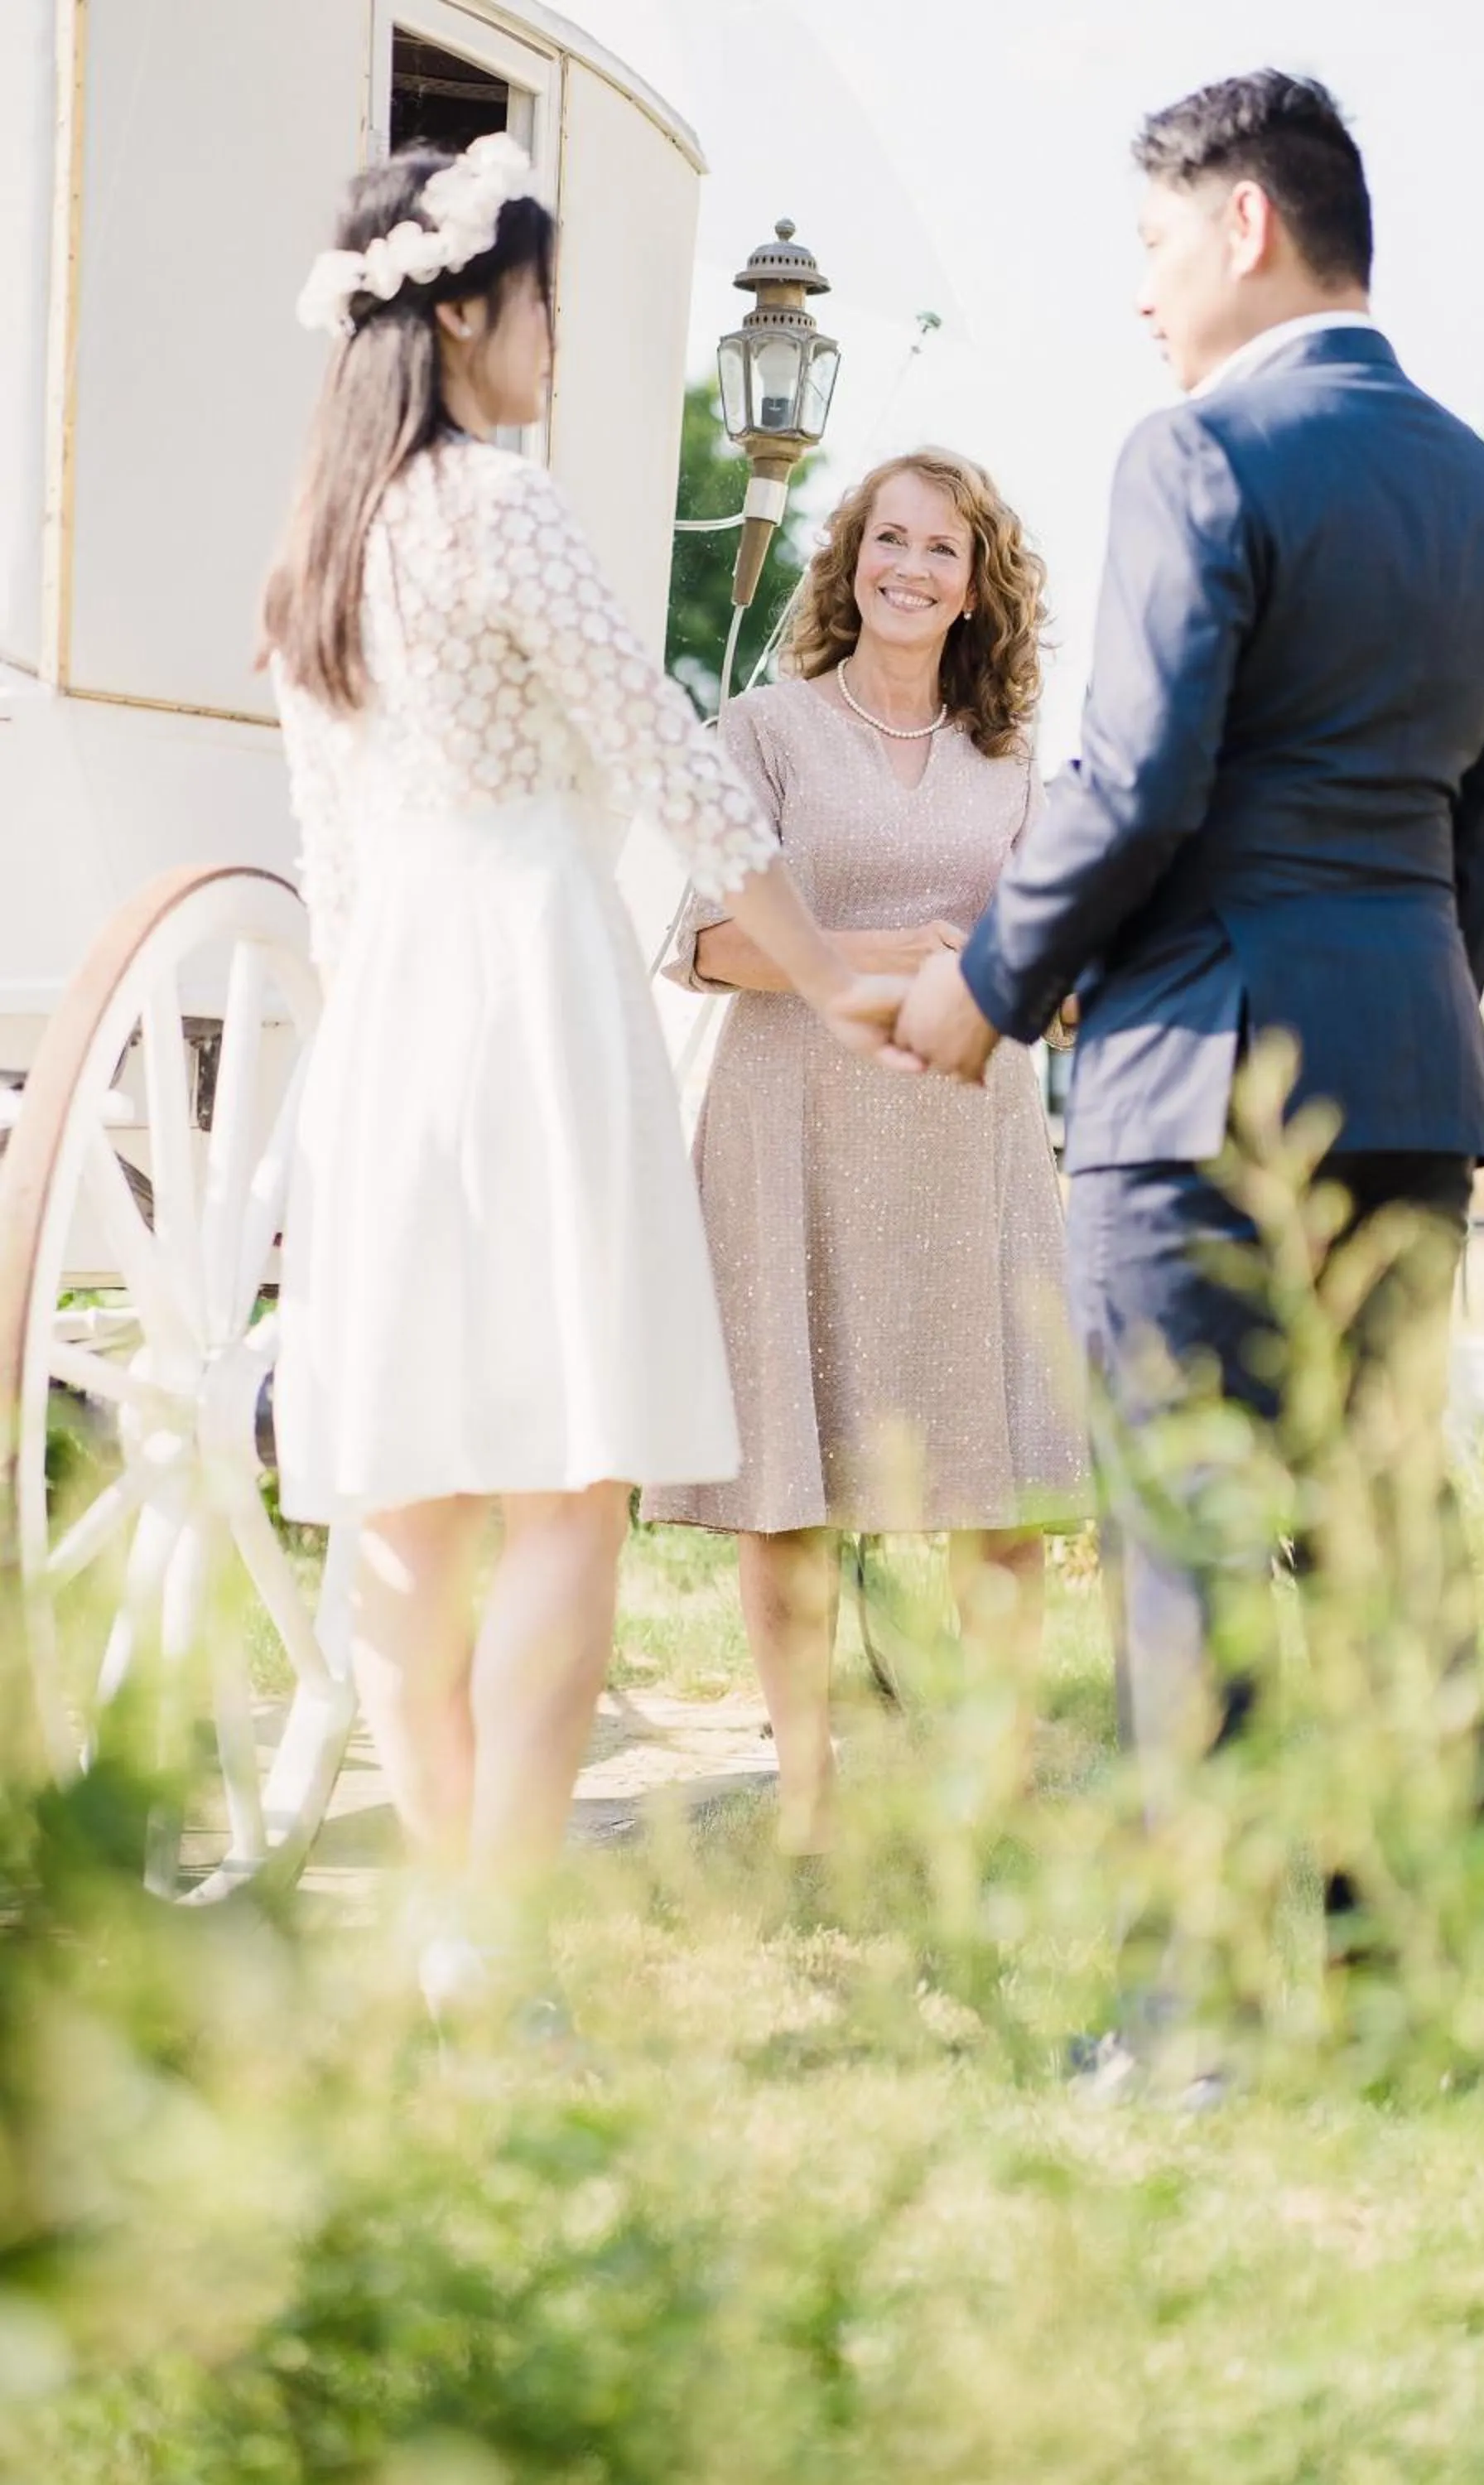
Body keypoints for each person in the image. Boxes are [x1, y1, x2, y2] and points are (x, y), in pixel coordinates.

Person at [896, 72, 1484, 1984]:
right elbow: (1482, 841)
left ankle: (1201, 2007)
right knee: (1378, 1534)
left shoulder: (1192, 454)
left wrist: (981, 988)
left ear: (1246, 226)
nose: (1140, 293)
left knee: (1187, 1543)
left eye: (1152, 243)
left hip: (1192, 1096)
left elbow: (1135, 787)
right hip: (1410, 1091)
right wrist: (1401, 1011)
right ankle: (1396, 1964)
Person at [260, 135, 913, 2011]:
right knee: (562, 1480)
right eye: (541, 300)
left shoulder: (323, 535)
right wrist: (829, 981)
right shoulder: (499, 506)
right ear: (467, 308)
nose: (555, 336)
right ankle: (500, 1926)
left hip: (387, 1005)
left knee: (405, 1492)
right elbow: (676, 763)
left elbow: (329, 857)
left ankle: (449, 1919)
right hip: (531, 983)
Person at [643, 451, 1088, 1855]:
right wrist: (873, 952)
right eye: (886, 540)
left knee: (999, 1487)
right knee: (794, 1489)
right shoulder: (766, 731)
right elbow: (701, 946)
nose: (909, 566)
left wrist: (1035, 971)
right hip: (794, 1135)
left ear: (976, 588)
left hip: (971, 1139)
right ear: (850, 564)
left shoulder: (1012, 763)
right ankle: (809, 1798)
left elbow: (1062, 975)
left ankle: (1000, 1790)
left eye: (940, 550)